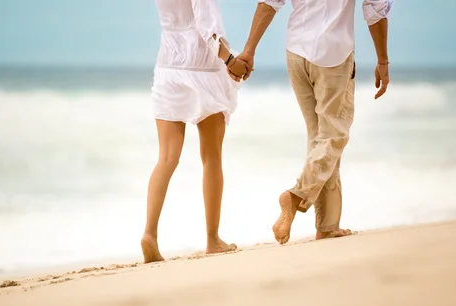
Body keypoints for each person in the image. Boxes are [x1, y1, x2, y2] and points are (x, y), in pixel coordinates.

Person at [232, 0, 393, 244]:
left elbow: (269, 2)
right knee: (333, 135)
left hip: (296, 52)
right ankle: (296, 196)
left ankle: (328, 225)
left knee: (320, 137)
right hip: (333, 53)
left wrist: (249, 50)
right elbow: (375, 9)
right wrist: (382, 61)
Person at [142, 0, 252, 263]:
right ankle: (213, 239)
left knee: (166, 159)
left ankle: (150, 234)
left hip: (169, 63)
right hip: (202, 65)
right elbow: (207, 27)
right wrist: (230, 60)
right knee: (211, 157)